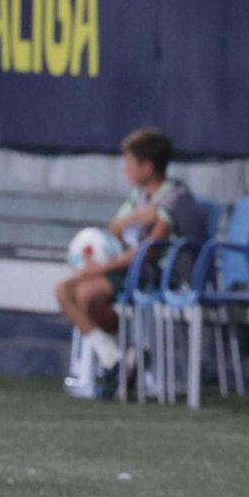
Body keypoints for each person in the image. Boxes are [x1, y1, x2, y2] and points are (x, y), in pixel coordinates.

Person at [54, 127, 208, 387]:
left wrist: (99, 269)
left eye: (129, 162)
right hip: (130, 269)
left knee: (86, 294)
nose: (125, 169)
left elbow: (149, 249)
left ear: (147, 167)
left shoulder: (175, 197)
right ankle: (115, 358)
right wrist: (139, 215)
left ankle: (123, 357)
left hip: (158, 274)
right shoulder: (141, 197)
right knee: (63, 290)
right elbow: (114, 227)